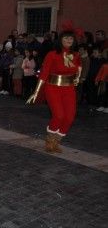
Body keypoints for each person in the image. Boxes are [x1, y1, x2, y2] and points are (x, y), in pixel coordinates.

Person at [27, 21, 82, 153]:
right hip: (53, 87)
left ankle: (56, 141)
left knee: (69, 117)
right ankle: (50, 141)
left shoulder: (75, 55)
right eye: (66, 38)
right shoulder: (52, 54)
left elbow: (78, 67)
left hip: (69, 89)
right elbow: (44, 73)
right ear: (60, 40)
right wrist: (36, 92)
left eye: (71, 38)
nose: (69, 40)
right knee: (59, 115)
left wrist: (78, 77)